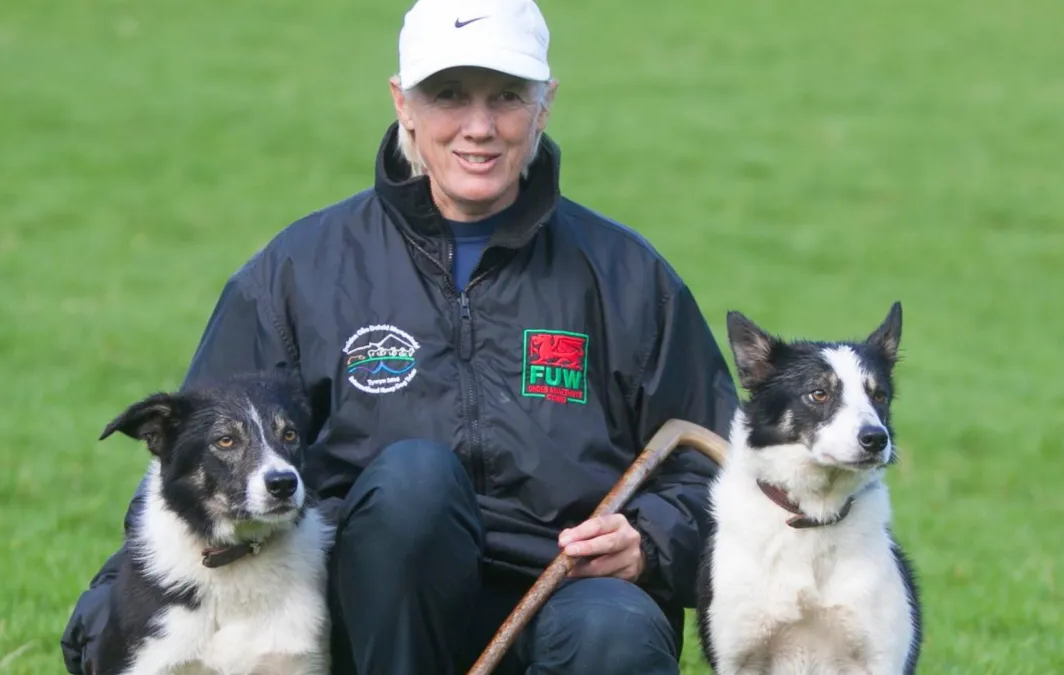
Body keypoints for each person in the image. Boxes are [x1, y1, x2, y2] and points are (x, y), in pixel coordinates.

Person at [60, 0, 740, 672]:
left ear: (546, 103)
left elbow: (723, 466)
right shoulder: (298, 272)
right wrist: (106, 625)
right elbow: (198, 458)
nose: (479, 127)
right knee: (414, 482)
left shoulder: (626, 276)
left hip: (563, 594)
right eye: (448, 95)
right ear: (402, 102)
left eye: (506, 96)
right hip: (371, 615)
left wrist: (650, 540)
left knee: (614, 633)